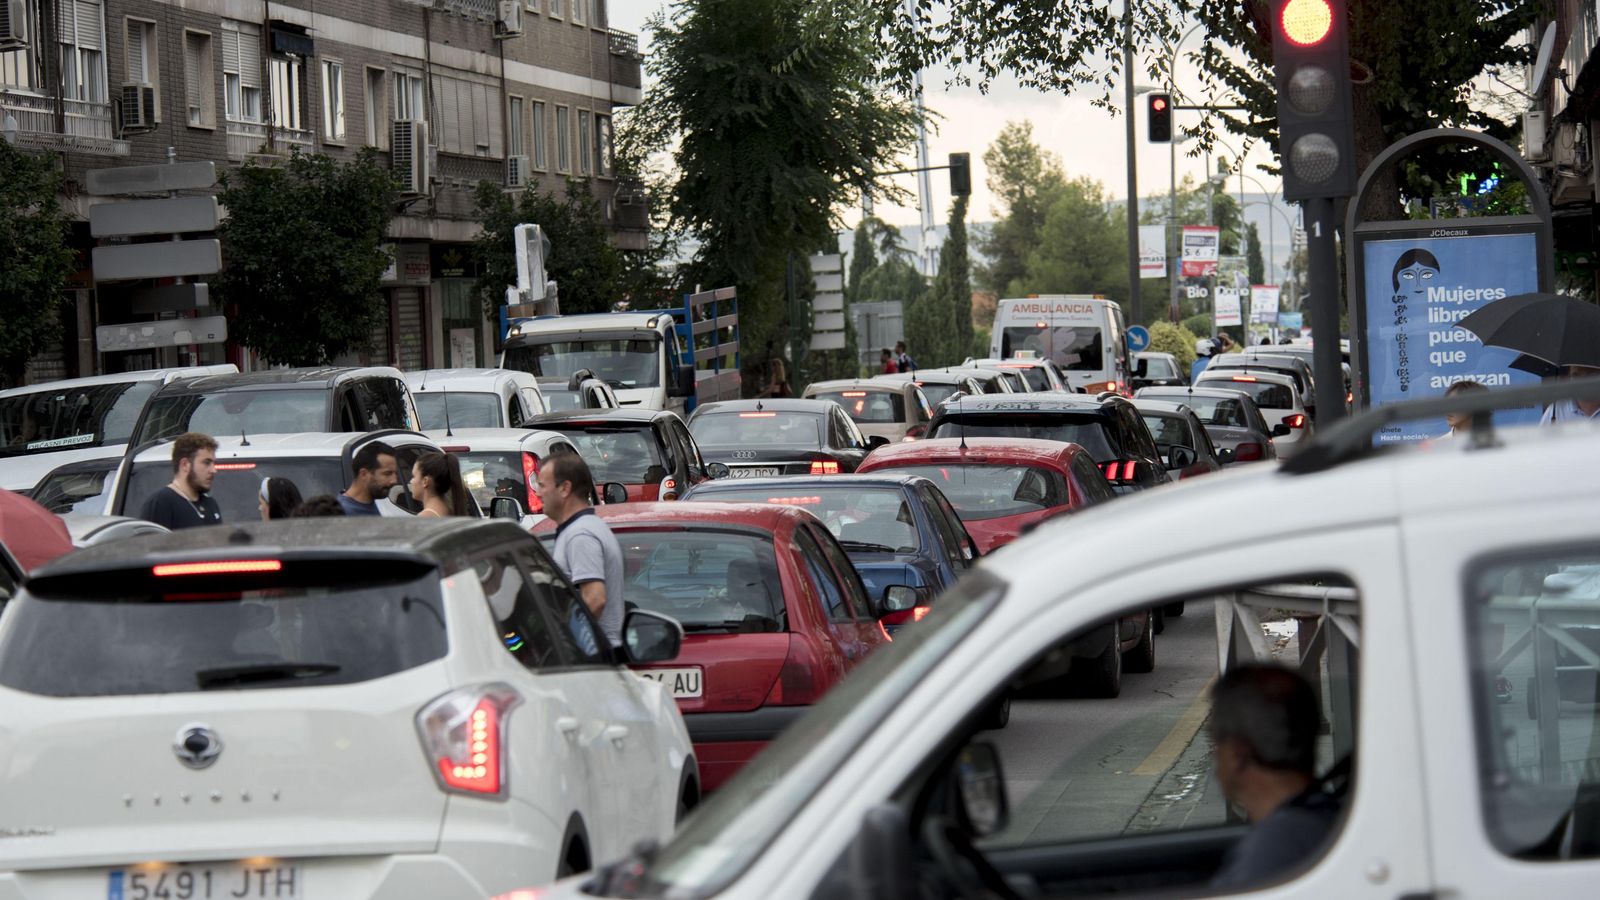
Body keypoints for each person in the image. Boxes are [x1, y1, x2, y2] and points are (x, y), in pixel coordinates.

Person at [1208, 664, 1340, 888]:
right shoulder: (1326, 818)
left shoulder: (1276, 846)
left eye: (1216, 741)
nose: (1215, 754)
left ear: (1236, 754)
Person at [537, 451, 625, 648]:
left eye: (542, 485)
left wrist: (560, 642)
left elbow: (595, 599)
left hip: (592, 654)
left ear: (564, 488)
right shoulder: (585, 527)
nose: (538, 492)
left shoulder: (580, 535)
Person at [138, 432, 223, 530]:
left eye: (213, 463)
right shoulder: (161, 504)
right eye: (206, 463)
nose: (213, 470)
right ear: (185, 464)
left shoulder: (210, 504)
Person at [338, 441, 398, 516]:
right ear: (364, 474)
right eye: (387, 474)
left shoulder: (369, 505)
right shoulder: (341, 513)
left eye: (395, 474)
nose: (394, 481)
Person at [410, 451, 471, 518]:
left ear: (425, 481)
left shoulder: (425, 517)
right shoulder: (449, 509)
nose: (411, 481)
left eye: (414, 476)